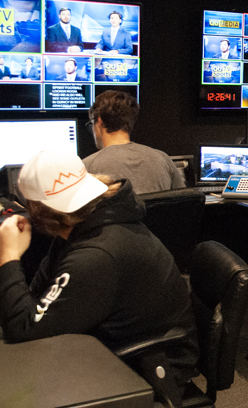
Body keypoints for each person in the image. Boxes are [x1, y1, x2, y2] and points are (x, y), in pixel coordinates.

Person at [0, 150, 199, 394]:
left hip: (151, 368)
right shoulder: (88, 224)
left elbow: (25, 331)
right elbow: (39, 293)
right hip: (120, 343)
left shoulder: (95, 256)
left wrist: (8, 257)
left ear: (38, 210)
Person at [83, 90, 185, 194]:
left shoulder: (86, 167)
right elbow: (182, 203)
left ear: (99, 122)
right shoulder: (163, 160)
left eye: (92, 123)